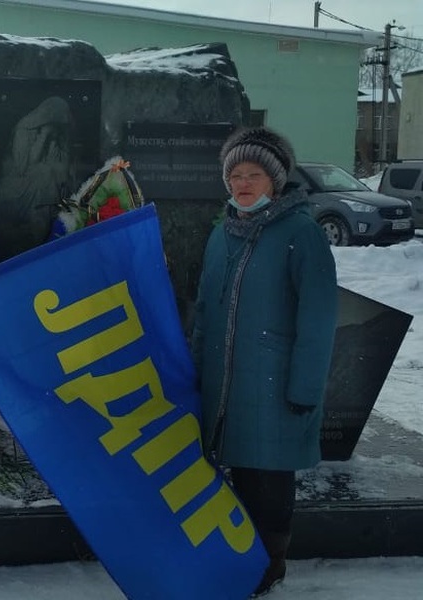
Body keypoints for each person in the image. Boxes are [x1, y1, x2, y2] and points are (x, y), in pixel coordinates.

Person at [191, 126, 338, 597]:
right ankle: (238, 556)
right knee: (233, 474)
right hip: (225, 384)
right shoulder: (221, 234)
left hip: (273, 387)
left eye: (254, 173)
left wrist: (304, 390)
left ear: (275, 180)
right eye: (235, 174)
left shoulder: (301, 233)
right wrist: (196, 373)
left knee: (268, 481)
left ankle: (270, 564)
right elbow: (204, 312)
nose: (243, 183)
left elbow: (318, 318)